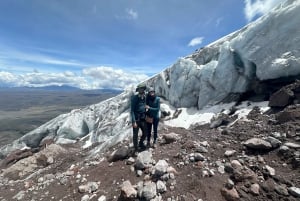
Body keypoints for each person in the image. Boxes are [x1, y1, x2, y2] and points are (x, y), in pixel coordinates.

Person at [130, 83, 148, 152]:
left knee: (145, 132)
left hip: (143, 118)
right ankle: (136, 149)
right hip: (137, 119)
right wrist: (133, 121)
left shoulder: (145, 97)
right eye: (140, 88)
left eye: (143, 88)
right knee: (135, 135)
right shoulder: (135, 98)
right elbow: (132, 111)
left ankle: (141, 143)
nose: (142, 90)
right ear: (138, 90)